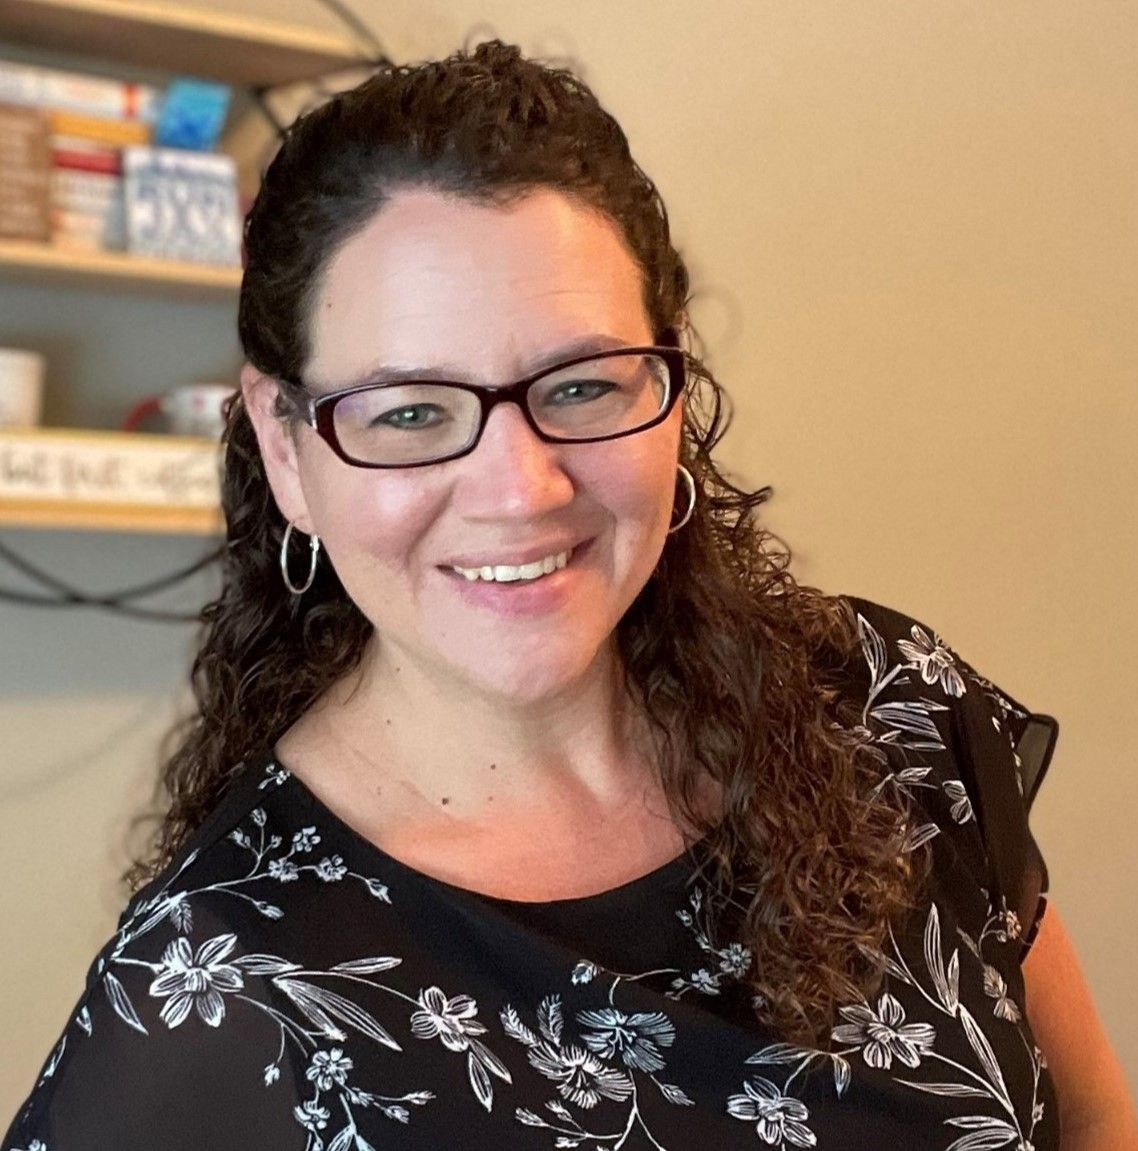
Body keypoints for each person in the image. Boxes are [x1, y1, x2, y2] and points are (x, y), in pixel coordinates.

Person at [4, 38, 1134, 1151]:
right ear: (287, 447)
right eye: (408, 411)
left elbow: (1088, 1119)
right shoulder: (218, 988)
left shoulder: (889, 714)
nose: (520, 487)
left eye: (583, 384)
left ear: (673, 387)